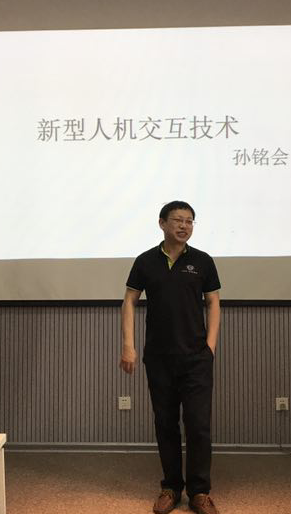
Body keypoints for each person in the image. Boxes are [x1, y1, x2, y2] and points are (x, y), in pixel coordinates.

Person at [120, 200, 221, 514]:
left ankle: (199, 492)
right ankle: (171, 487)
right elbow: (129, 301)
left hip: (196, 358)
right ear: (162, 223)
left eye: (189, 221)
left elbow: (213, 303)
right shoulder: (145, 261)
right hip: (159, 357)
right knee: (165, 424)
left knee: (198, 425)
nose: (184, 226)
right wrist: (128, 345)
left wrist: (210, 347)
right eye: (178, 220)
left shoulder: (203, 261)